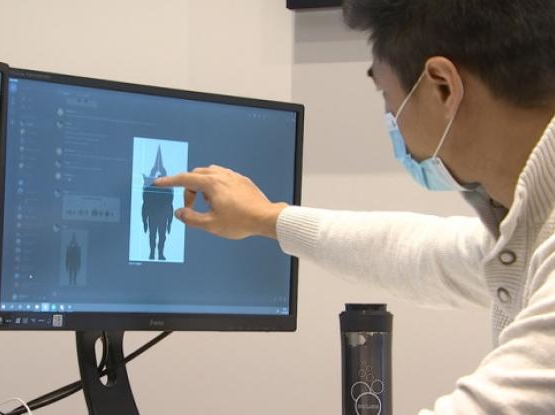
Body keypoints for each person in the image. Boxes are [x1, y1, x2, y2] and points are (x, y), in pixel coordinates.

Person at [154, 1, 555, 414]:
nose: (391, 118)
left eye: (386, 95)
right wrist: (267, 218)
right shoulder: (534, 227)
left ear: (442, 87)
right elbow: (419, 254)